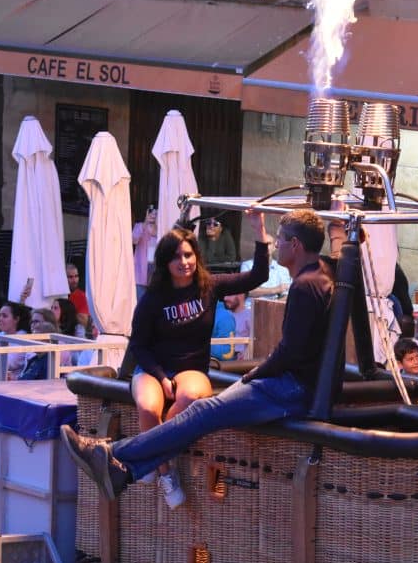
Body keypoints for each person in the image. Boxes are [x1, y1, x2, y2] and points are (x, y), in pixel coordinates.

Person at [64, 209, 336, 499]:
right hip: (288, 383)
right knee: (165, 409)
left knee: (201, 411)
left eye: (279, 239)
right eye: (177, 257)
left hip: (289, 387)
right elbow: (139, 345)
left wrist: (257, 373)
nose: (277, 244)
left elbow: (288, 350)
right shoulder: (325, 271)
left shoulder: (302, 286)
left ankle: (114, 454)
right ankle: (127, 470)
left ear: (295, 245)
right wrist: (342, 234)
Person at [121, 211, 271, 505]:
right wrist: (160, 377)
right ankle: (165, 471)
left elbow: (258, 276)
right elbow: (138, 344)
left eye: (188, 255)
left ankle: (149, 457)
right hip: (153, 367)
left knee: (190, 398)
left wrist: (259, 229)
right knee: (148, 408)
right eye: (176, 257)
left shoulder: (209, 286)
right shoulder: (153, 298)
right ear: (165, 262)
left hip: (191, 367)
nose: (184, 262)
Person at [133, 207, 160, 298]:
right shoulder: (139, 226)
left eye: (156, 213)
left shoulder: (161, 229)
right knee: (141, 300)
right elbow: (134, 240)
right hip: (141, 271)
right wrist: (145, 222)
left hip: (155, 270)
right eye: (151, 213)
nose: (153, 216)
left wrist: (157, 225)